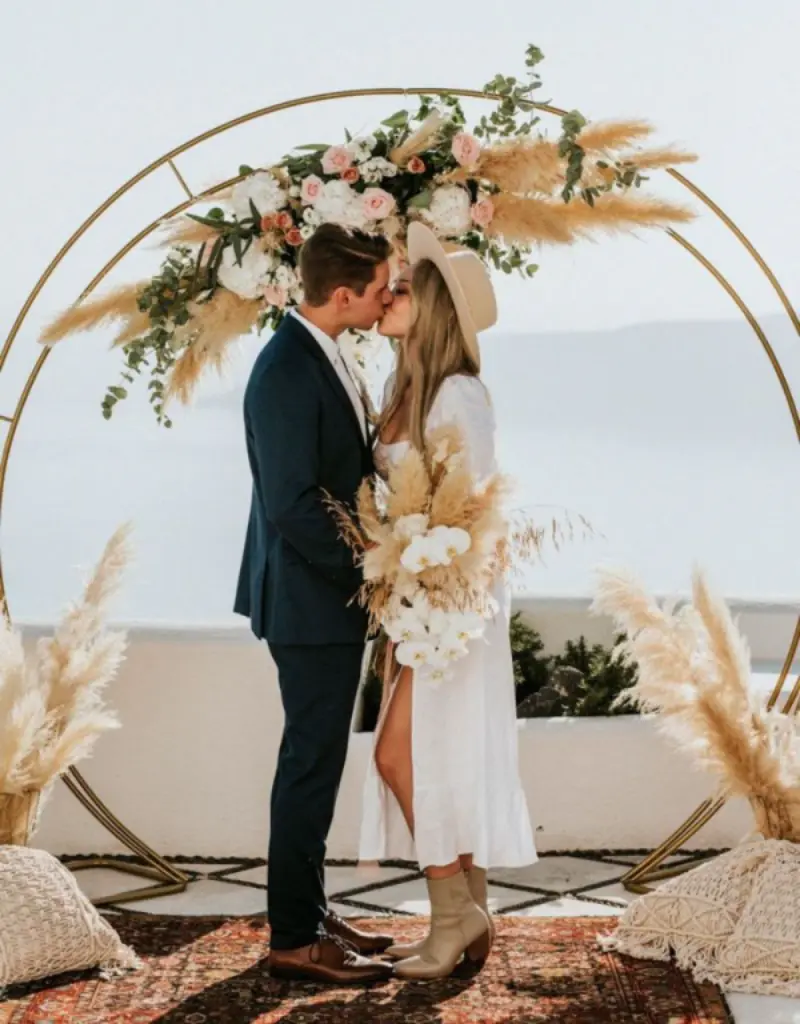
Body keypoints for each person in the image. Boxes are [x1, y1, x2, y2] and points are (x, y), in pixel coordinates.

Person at [359, 222, 537, 980]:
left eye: (403, 289)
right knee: (419, 756)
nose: (390, 296)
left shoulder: (459, 393)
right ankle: (463, 913)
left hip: (449, 611)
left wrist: (431, 600)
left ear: (430, 306)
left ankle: (452, 917)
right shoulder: (406, 387)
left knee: (408, 755)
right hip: (413, 604)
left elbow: (469, 513)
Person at [234, 223, 397, 985]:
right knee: (309, 766)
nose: (387, 299)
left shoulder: (319, 352)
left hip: (322, 600)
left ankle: (313, 910)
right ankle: (294, 939)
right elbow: (293, 507)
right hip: (309, 602)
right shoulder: (285, 372)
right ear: (342, 294)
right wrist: (368, 571)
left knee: (319, 762)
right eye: (380, 288)